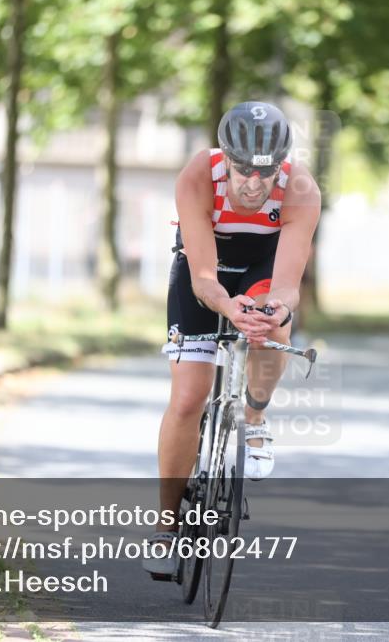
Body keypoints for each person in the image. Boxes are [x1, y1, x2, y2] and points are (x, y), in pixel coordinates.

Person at [143, 101, 320, 577]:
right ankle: (165, 524)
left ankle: (255, 417)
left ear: (281, 164)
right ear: (227, 158)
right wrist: (226, 306)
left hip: (263, 267)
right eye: (242, 169)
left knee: (273, 325)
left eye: (265, 172)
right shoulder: (199, 174)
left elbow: (286, 286)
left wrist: (273, 309)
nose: (253, 183)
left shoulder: (300, 188)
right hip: (206, 270)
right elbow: (203, 278)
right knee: (187, 398)